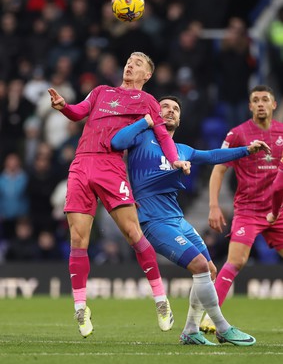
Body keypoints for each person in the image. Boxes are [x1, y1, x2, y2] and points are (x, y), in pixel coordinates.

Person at [48, 51, 190, 338]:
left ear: (146, 75)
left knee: (132, 232)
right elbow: (79, 112)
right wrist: (64, 106)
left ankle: (161, 301)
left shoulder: (148, 101)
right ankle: (80, 307)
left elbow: (162, 134)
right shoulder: (101, 91)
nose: (130, 65)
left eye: (137, 63)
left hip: (110, 166)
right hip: (81, 163)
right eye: (128, 61)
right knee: (78, 238)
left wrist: (174, 159)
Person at [111, 95, 269, 346]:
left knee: (210, 269)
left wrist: (246, 150)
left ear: (180, 118)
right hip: (153, 221)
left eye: (175, 109)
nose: (170, 111)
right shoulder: (141, 139)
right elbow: (116, 141)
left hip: (177, 219)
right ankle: (222, 327)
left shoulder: (182, 150)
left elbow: (213, 155)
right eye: (164, 107)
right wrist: (145, 121)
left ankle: (190, 331)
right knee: (199, 266)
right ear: (155, 111)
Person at [201, 84, 283, 333]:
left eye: (264, 99)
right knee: (236, 261)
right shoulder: (237, 134)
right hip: (248, 210)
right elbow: (218, 169)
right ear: (249, 106)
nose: (260, 103)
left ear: (273, 105)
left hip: (277, 211)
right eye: (255, 100)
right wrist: (214, 205)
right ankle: (209, 317)